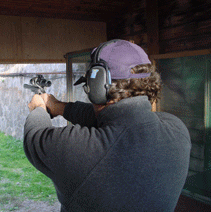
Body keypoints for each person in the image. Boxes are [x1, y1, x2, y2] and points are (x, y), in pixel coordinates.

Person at [24, 39, 191, 212]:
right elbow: (117, 118)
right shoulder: (177, 130)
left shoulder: (75, 149)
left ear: (97, 87)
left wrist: (39, 108)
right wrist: (59, 107)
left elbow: (35, 136)